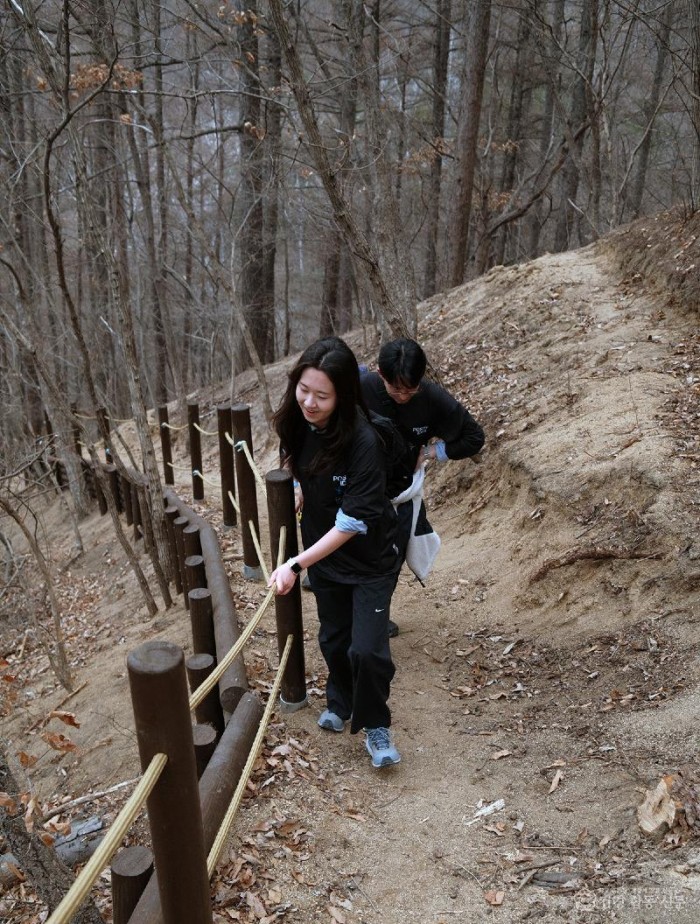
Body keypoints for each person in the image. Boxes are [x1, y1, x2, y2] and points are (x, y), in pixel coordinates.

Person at [268, 337, 402, 769]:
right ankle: (340, 701)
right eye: (304, 390)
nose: (309, 402)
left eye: (322, 396)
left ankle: (376, 725)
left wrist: (295, 563)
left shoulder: (365, 441)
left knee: (367, 650)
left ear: (343, 395)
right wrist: (295, 485)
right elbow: (292, 454)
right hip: (325, 557)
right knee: (334, 638)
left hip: (370, 558)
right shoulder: (296, 418)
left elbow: (351, 524)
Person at [361, 338, 485, 636]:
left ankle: (375, 616)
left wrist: (432, 452)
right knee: (357, 552)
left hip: (403, 491)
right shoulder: (361, 389)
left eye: (411, 389)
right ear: (380, 373)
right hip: (360, 486)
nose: (403, 396)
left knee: (391, 556)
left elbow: (474, 437)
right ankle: (355, 615)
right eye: (396, 389)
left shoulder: (431, 398)